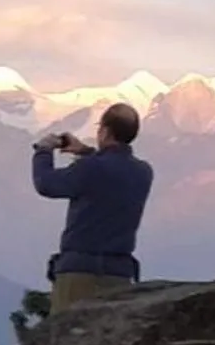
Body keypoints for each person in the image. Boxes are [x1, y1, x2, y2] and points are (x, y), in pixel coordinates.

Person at [31, 102, 155, 311]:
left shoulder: (90, 169)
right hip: (119, 276)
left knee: (70, 330)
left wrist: (43, 151)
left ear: (105, 132)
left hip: (79, 274)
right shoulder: (143, 172)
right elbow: (111, 174)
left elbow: (46, 184)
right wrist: (86, 152)